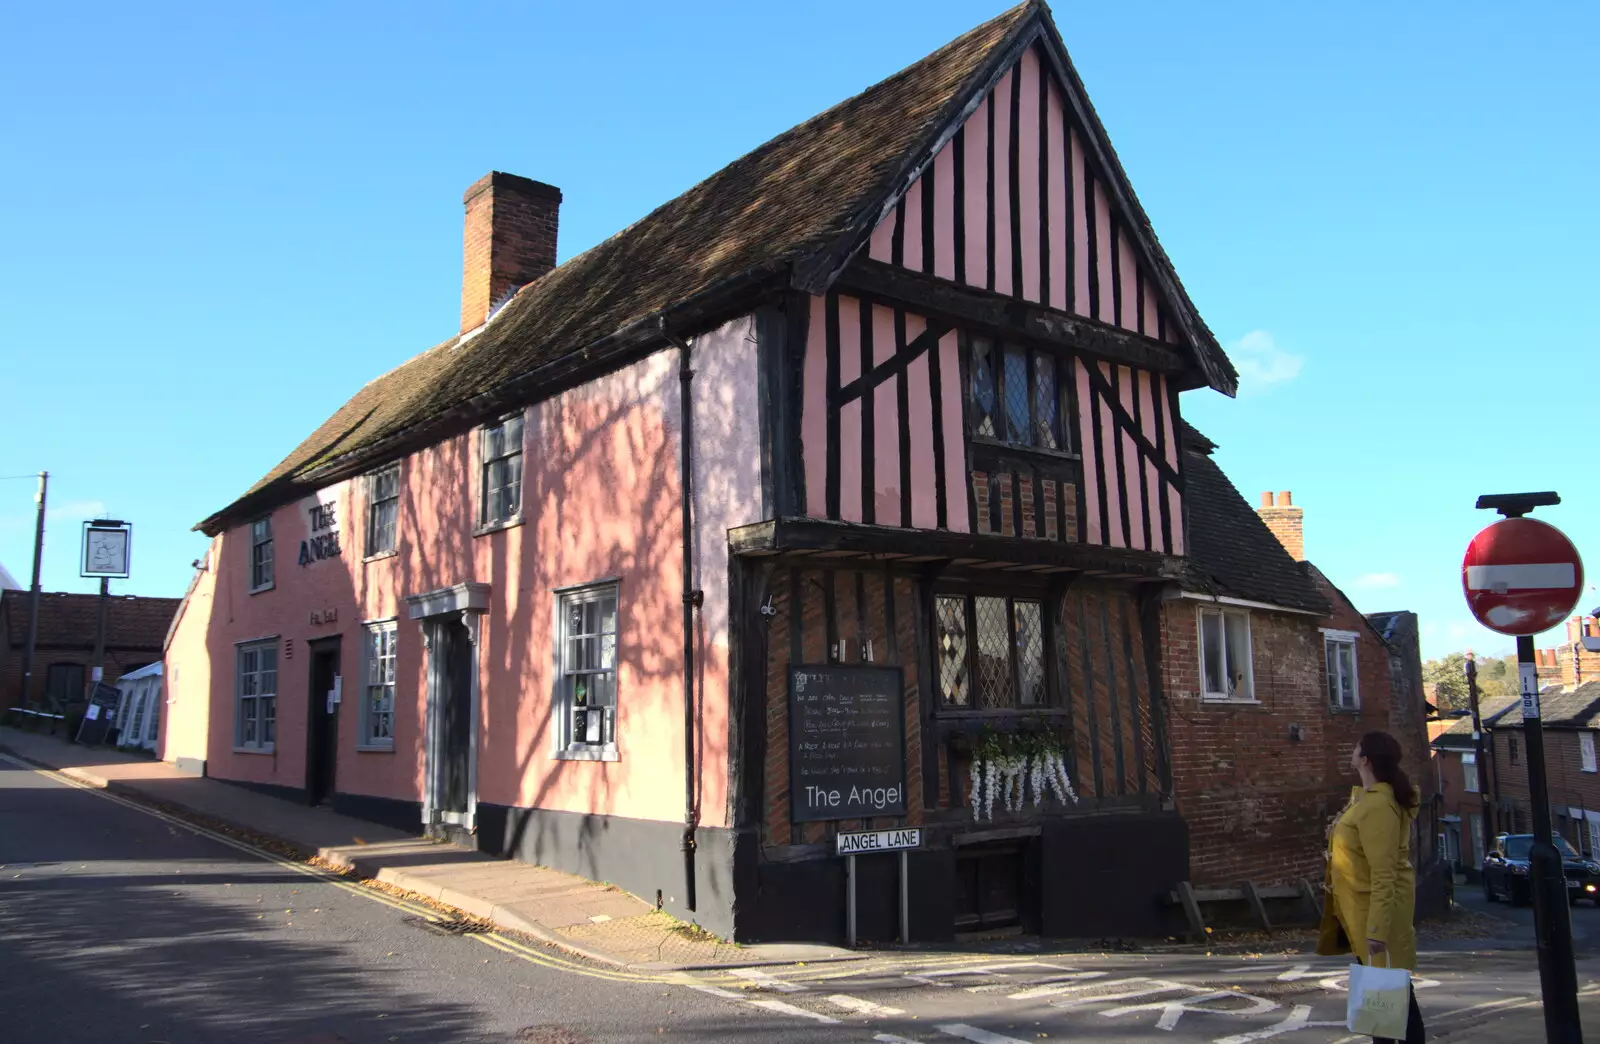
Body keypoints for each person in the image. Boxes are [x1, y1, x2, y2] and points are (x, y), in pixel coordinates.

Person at [1318, 730, 1427, 1043]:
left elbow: (1384, 871)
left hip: (1376, 917)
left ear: (1365, 759)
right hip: (1364, 913)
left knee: (1392, 1006)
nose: (1352, 751)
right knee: (1388, 1007)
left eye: (1356, 748)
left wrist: (1377, 930)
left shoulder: (1378, 806)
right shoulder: (1369, 799)